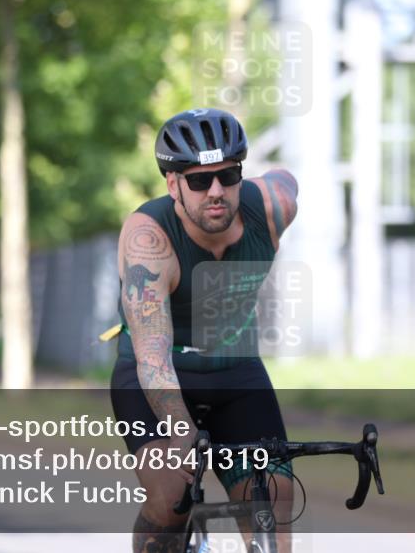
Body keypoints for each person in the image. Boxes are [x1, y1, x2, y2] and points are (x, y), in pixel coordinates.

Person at [109, 108, 300, 553]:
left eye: (229, 176)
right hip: (158, 371)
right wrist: (180, 430)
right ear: (172, 184)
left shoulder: (272, 209)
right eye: (199, 181)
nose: (217, 191)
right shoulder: (148, 239)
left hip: (234, 367)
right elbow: (151, 358)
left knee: (274, 497)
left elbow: (287, 179)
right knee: (171, 497)